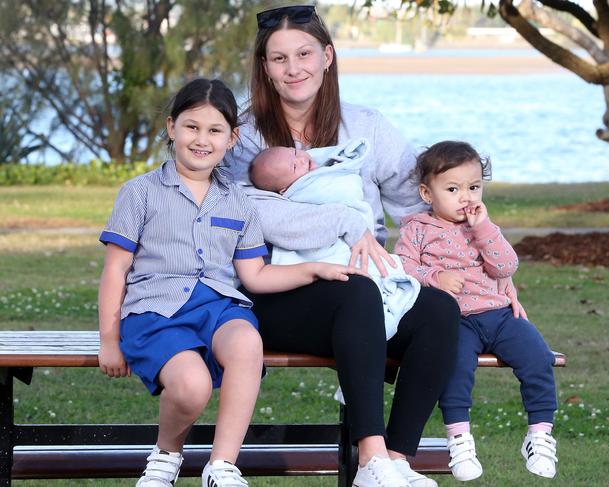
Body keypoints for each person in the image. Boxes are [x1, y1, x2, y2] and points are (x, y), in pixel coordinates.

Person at [224, 5, 461, 487]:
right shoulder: (244, 138)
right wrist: (345, 223)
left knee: (438, 310)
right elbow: (255, 217)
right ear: (264, 68)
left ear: (327, 56)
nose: (294, 69)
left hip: (363, 285)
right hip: (275, 291)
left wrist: (469, 263)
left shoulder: (367, 127)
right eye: (279, 58)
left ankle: (396, 461)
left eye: (305, 53)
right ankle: (369, 457)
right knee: (357, 292)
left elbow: (419, 207)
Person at [97, 78, 360, 487]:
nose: (202, 139)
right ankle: (166, 455)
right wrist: (109, 340)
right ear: (172, 128)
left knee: (246, 341)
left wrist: (314, 270)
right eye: (192, 127)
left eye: (215, 130)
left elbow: (255, 274)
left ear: (232, 138)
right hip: (156, 311)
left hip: (219, 309)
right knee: (191, 387)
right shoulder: (140, 193)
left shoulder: (240, 201)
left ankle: (222, 467)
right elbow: (115, 270)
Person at [395, 141, 559, 481]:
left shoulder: (483, 227)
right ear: (427, 193)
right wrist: (434, 277)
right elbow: (402, 269)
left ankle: (539, 435)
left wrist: (484, 229)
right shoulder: (417, 229)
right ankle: (459, 439)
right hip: (456, 322)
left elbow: (506, 266)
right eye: (453, 189)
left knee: (539, 357)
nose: (466, 197)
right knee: (455, 368)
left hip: (499, 315)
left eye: (474, 187)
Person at [250, 138, 421, 341]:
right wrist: (346, 219)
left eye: (294, 153)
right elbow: (340, 194)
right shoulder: (301, 191)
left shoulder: (320, 162)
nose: (303, 160)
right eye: (295, 167)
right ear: (284, 190)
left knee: (440, 306)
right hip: (326, 264)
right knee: (363, 290)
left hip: (361, 242)